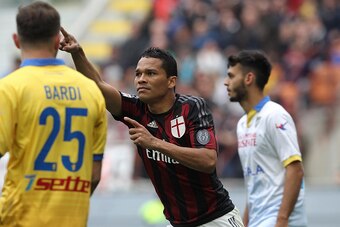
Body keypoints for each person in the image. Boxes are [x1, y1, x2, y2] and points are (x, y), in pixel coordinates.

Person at [59, 28, 244, 227]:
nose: (141, 79)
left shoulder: (191, 107)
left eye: (151, 73)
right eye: (138, 74)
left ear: (171, 81)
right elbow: (97, 85)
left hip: (215, 218)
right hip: (177, 222)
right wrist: (78, 53)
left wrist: (155, 143)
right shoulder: (135, 108)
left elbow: (208, 160)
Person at [0, 2, 107, 226]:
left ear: (16, 40)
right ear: (58, 42)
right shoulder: (90, 91)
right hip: (73, 218)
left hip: (20, 218)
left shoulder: (9, 88)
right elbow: (94, 176)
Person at [224, 50, 307, 227]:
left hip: (279, 217)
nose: (226, 82)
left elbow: (296, 169)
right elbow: (254, 181)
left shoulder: (275, 115)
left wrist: (282, 219)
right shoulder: (242, 124)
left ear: (248, 79)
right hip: (258, 218)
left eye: (231, 76)